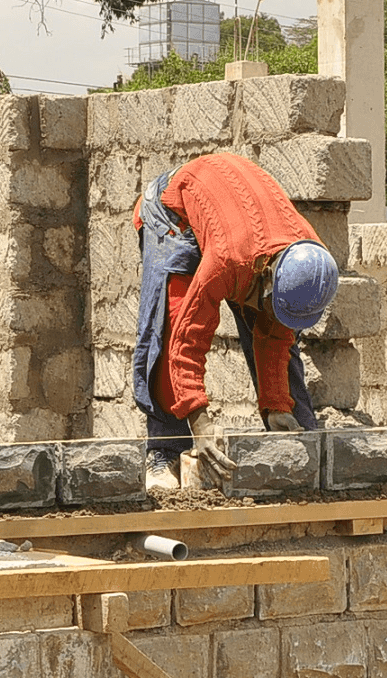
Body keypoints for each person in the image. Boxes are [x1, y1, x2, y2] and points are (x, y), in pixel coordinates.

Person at [132, 152, 341, 490]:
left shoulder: (307, 263)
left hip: (238, 223)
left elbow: (276, 333)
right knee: (170, 321)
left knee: (280, 332)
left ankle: (293, 429)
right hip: (174, 212)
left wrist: (276, 404)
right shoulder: (229, 261)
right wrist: (199, 419)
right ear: (266, 278)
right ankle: (165, 453)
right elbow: (187, 341)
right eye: (272, 304)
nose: (275, 317)